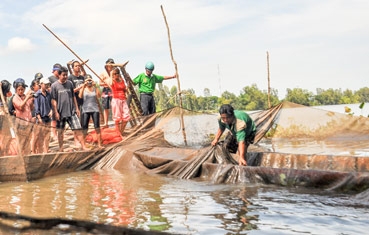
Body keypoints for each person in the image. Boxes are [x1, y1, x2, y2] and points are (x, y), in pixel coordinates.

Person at [50, 66, 88, 152]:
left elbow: (73, 96)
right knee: (60, 131)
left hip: (71, 112)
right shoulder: (54, 86)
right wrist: (56, 112)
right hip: (60, 112)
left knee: (78, 129)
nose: (65, 77)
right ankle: (61, 148)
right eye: (63, 75)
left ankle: (83, 146)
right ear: (59, 75)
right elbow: (53, 100)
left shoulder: (70, 83)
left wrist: (77, 108)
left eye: (66, 75)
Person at [105, 67, 130, 138]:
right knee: (117, 117)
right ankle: (119, 134)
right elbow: (109, 82)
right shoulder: (112, 80)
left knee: (126, 116)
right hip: (116, 100)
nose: (115, 75)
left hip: (123, 99)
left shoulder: (121, 80)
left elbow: (124, 89)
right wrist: (111, 74)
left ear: (119, 74)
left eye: (117, 73)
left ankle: (120, 132)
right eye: (114, 74)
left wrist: (126, 89)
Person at [78, 74, 103, 148]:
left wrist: (96, 86)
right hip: (86, 110)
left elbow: (99, 96)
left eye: (90, 80)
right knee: (85, 127)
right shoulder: (83, 88)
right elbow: (80, 96)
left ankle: (99, 144)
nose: (89, 82)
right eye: (87, 80)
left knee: (97, 127)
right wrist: (83, 86)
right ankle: (84, 144)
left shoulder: (94, 88)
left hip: (94, 109)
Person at [12, 79, 34, 155]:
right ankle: (20, 158)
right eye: (19, 89)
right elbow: (20, 107)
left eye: (22, 89)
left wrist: (31, 99)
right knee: (21, 142)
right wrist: (27, 98)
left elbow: (31, 108)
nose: (21, 91)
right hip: (20, 124)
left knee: (28, 141)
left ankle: (28, 158)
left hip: (28, 123)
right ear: (16, 90)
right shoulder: (15, 98)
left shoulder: (25, 96)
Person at [34, 77, 53, 153]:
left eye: (47, 84)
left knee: (47, 135)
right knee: (40, 135)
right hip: (40, 117)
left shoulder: (48, 94)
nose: (46, 86)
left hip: (47, 116)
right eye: (45, 84)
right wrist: (39, 118)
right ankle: (39, 151)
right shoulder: (37, 95)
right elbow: (36, 107)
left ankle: (46, 150)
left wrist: (51, 111)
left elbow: (51, 105)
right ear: (41, 84)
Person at [99, 58, 114, 127]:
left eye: (112, 64)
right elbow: (100, 83)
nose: (110, 66)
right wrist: (106, 84)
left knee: (114, 106)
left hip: (113, 90)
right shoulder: (103, 73)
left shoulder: (114, 72)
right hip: (106, 90)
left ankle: (115, 121)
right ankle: (106, 122)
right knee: (106, 107)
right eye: (109, 65)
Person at [48, 63, 62, 141]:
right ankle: (54, 134)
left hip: (60, 99)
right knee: (54, 118)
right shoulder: (50, 78)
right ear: (54, 71)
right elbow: (47, 88)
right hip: (53, 100)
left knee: (59, 118)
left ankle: (59, 133)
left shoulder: (60, 79)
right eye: (58, 71)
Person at [0, 80, 13, 156]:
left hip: (5, 119)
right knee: (3, 139)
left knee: (8, 138)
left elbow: (9, 94)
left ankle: (5, 154)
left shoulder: (5, 96)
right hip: (1, 118)